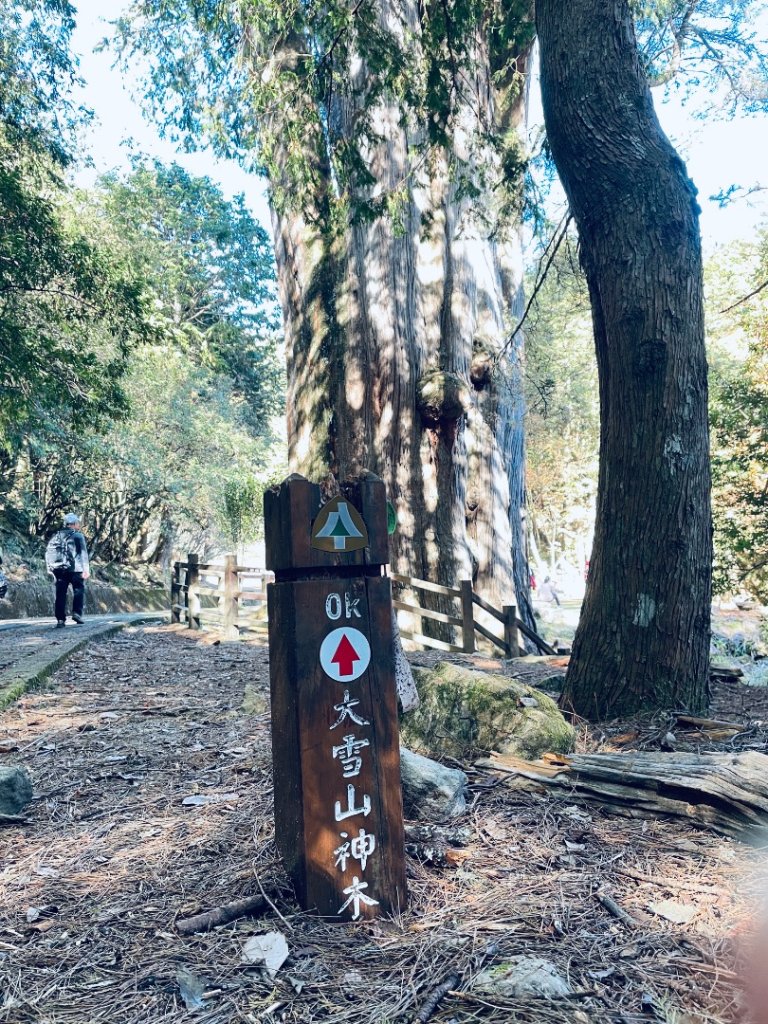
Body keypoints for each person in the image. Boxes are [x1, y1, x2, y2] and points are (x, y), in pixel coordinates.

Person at [45, 513, 90, 628]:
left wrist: (50, 568)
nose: (79, 525)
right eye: (78, 523)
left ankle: (60, 619)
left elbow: (49, 552)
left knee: (60, 594)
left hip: (59, 569)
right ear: (74, 524)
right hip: (76, 569)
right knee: (78, 591)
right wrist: (86, 569)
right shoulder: (78, 536)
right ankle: (76, 613)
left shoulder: (56, 536)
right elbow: (83, 553)